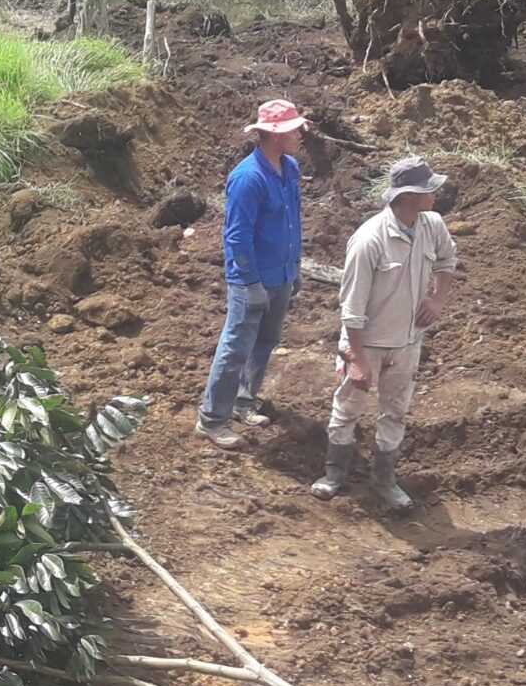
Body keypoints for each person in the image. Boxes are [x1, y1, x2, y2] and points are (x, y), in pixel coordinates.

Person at [313, 154, 459, 512]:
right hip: (368, 343)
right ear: (406, 196)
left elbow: (446, 260)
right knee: (348, 409)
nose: (435, 195)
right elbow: (351, 308)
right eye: (428, 190)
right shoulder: (369, 240)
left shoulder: (432, 224)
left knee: (395, 412)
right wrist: (358, 360)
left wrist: (437, 300)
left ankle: (384, 479)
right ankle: (334, 475)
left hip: (408, 341)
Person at [195, 99, 306, 450]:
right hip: (253, 279)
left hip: (282, 273)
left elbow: (293, 221)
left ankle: (244, 401)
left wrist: (295, 267)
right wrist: (251, 283)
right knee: (236, 346)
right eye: (293, 129)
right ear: (273, 135)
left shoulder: (290, 168)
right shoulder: (247, 178)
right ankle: (212, 419)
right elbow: (237, 236)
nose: (301, 134)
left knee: (266, 340)